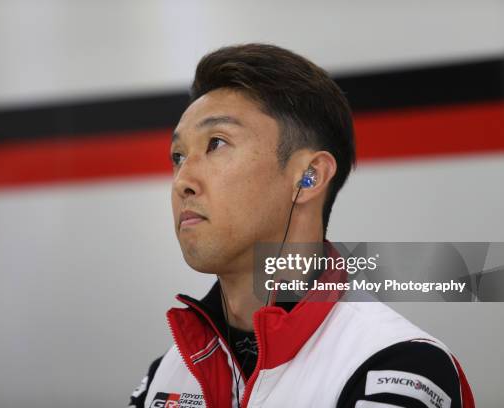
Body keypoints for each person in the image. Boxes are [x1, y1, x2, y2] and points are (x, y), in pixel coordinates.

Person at [128, 43, 474, 408]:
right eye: (178, 156)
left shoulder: (394, 366)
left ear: (309, 176)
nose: (183, 179)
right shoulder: (165, 375)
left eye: (216, 143)